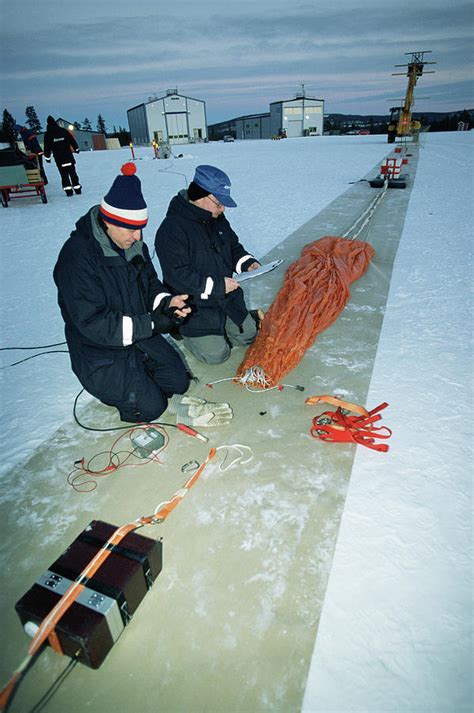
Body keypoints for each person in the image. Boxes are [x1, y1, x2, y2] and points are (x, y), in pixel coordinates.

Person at [53, 163, 192, 423]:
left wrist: (167, 303)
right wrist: (151, 323)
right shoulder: (77, 258)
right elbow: (95, 324)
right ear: (108, 222)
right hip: (98, 349)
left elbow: (150, 284)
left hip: (136, 336)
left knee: (178, 381)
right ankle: (125, 393)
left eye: (140, 228)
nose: (138, 236)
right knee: (152, 408)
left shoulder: (133, 244)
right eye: (131, 229)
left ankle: (141, 379)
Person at [154, 164, 261, 364]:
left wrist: (248, 263)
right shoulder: (171, 229)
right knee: (216, 356)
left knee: (248, 336)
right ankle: (180, 329)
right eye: (219, 203)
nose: (223, 209)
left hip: (227, 299)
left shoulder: (217, 218)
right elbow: (177, 276)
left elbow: (233, 247)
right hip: (195, 306)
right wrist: (218, 286)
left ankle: (228, 327)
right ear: (202, 196)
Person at [43, 115, 81, 196]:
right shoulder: (63, 131)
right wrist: (76, 149)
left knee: (64, 175)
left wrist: (47, 158)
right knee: (73, 173)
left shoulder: (48, 135)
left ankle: (68, 191)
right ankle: (77, 189)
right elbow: (72, 140)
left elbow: (47, 147)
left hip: (59, 159)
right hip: (69, 157)